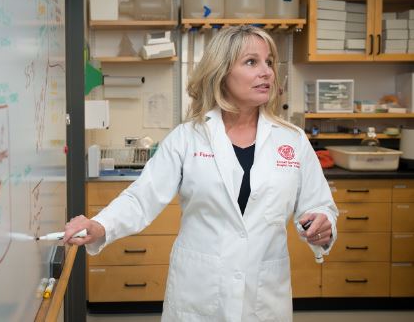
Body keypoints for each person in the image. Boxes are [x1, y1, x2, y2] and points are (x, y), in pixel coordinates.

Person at [64, 25, 338, 322]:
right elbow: (142, 197)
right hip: (199, 293)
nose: (267, 72)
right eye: (251, 62)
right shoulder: (188, 137)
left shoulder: (292, 140)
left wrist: (323, 225)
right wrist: (101, 225)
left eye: (269, 62)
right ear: (221, 72)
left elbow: (319, 205)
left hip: (264, 294)